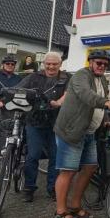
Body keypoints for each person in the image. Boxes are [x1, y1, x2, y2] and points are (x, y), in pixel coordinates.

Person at [51, 49, 110, 218]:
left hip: (89, 132)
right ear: (90, 62)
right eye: (99, 63)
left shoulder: (102, 80)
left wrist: (105, 119)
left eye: (105, 64)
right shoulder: (81, 76)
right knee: (68, 171)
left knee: (90, 167)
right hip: (72, 131)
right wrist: (106, 103)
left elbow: (99, 102)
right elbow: (86, 95)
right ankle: (60, 212)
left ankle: (74, 206)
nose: (102, 66)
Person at [16, 52, 70, 203]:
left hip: (56, 123)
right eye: (48, 63)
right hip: (35, 122)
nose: (51, 66)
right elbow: (18, 89)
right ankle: (29, 188)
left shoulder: (66, 78)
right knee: (32, 155)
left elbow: (69, 93)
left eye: (55, 64)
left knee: (55, 157)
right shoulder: (33, 77)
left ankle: (52, 188)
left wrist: (59, 102)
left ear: (60, 65)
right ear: (44, 64)